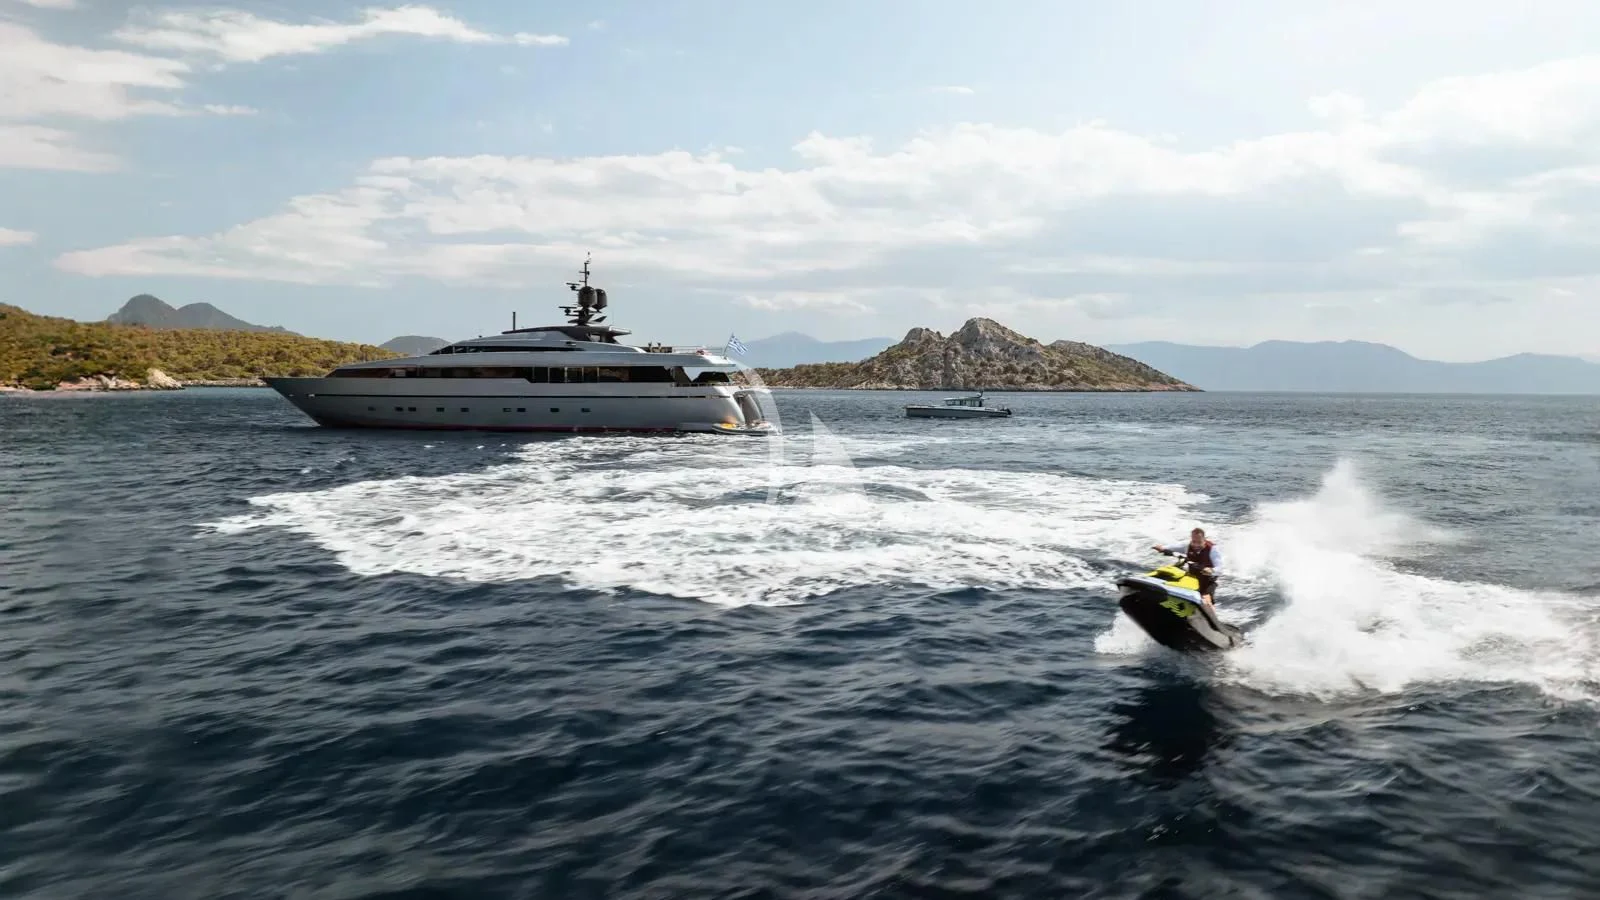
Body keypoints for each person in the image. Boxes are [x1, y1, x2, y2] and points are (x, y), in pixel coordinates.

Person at [1153, 528, 1222, 608]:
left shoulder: (1213, 549)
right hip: (1192, 578)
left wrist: (1211, 570)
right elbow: (1173, 547)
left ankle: (1210, 617)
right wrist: (1162, 548)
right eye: (1194, 541)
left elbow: (1220, 568)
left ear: (1204, 540)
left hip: (1208, 580)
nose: (1196, 544)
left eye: (1199, 542)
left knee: (1206, 599)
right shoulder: (1187, 545)